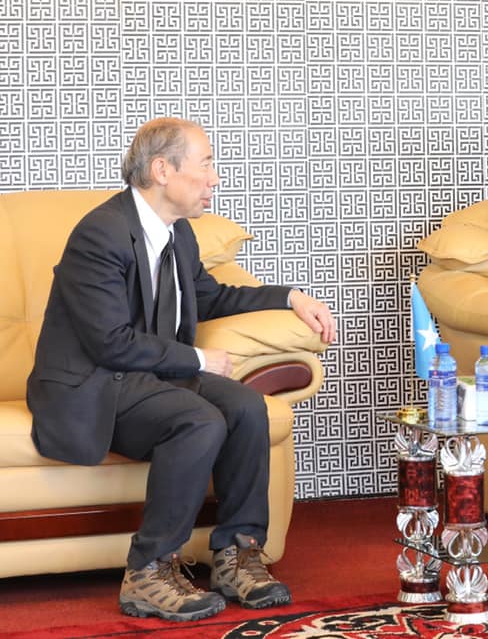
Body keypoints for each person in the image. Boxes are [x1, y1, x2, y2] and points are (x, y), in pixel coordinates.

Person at [26, 117, 337, 621]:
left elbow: (210, 297)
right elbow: (109, 342)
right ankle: (147, 572)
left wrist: (290, 297)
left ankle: (238, 553)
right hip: (94, 385)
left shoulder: (178, 233)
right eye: (206, 163)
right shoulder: (101, 234)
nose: (215, 177)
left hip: (147, 379)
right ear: (162, 170)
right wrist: (197, 359)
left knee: (246, 407)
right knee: (199, 419)